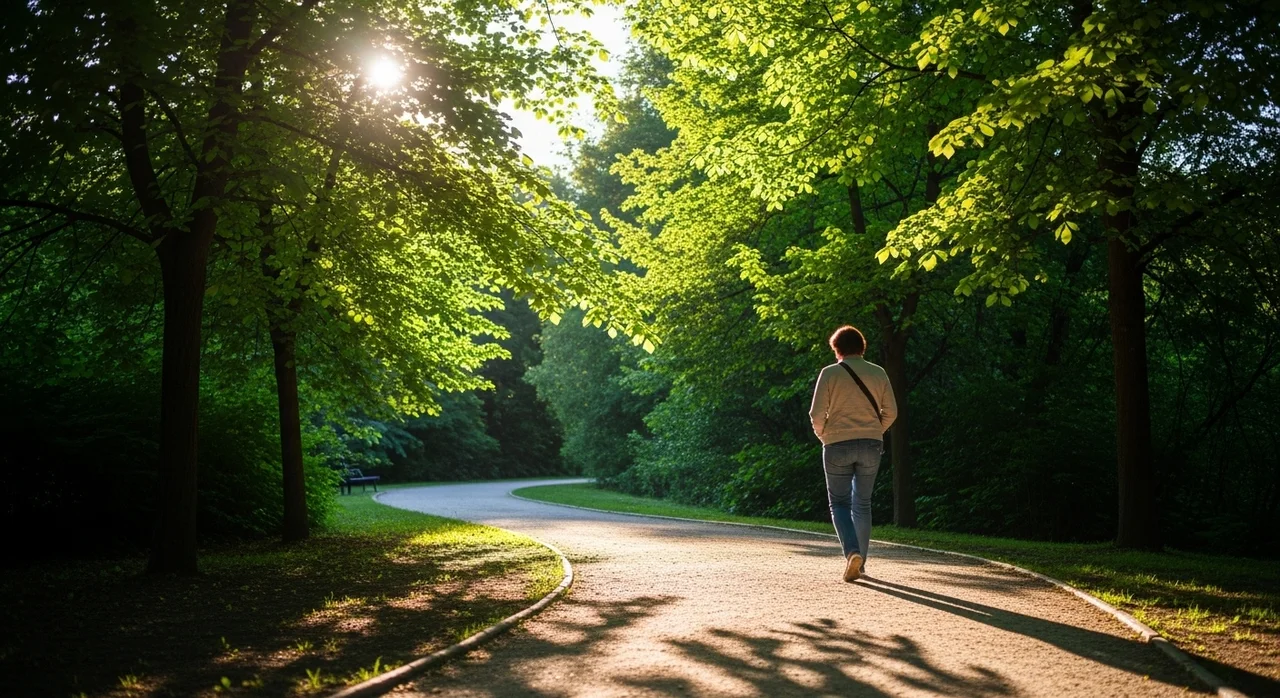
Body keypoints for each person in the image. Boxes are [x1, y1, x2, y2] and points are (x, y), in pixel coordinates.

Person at [808, 325, 897, 582]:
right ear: (862, 347)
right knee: (863, 503)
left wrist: (824, 435)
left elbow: (816, 414)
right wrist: (874, 430)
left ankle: (852, 554)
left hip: (836, 444)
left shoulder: (829, 373)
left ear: (837, 349)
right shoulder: (878, 372)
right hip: (871, 445)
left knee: (839, 503)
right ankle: (862, 564)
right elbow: (891, 411)